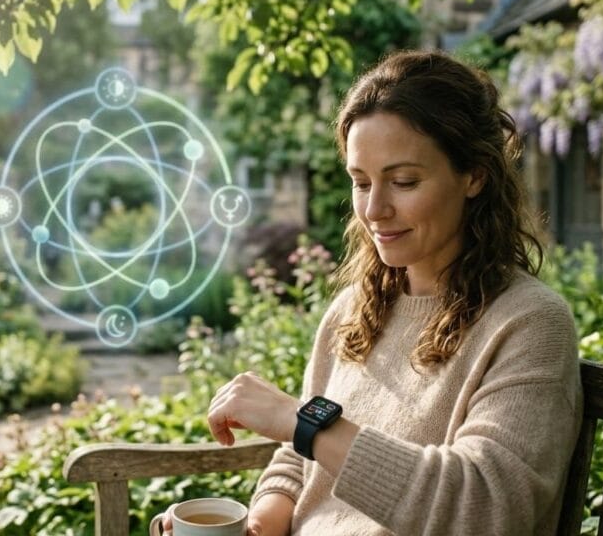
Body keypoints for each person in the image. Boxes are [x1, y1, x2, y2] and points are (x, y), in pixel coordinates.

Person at [183, 50, 582, 535]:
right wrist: (258, 524)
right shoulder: (353, 310)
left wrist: (302, 419)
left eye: (403, 181)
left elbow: (484, 506)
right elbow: (300, 460)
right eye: (360, 182)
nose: (374, 209)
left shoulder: (529, 323)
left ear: (474, 175)